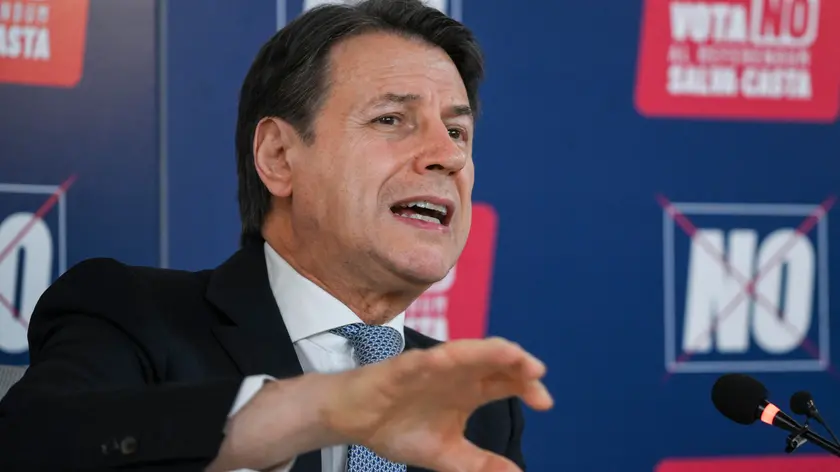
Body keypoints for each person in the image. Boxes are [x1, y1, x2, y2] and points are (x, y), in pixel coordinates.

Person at [0, 1, 552, 471]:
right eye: (391, 119)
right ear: (279, 156)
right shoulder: (131, 314)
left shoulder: (475, 405)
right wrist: (319, 409)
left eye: (457, 131)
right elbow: (30, 446)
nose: (448, 155)